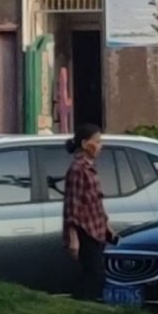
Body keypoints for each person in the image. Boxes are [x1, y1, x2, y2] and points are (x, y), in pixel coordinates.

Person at [61, 121, 116, 300]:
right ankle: (85, 304)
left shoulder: (90, 167)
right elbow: (72, 204)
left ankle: (87, 302)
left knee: (95, 275)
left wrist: (106, 224)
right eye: (97, 142)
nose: (101, 146)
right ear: (85, 144)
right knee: (93, 276)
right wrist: (73, 238)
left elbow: (95, 200)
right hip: (86, 232)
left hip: (97, 230)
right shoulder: (78, 169)